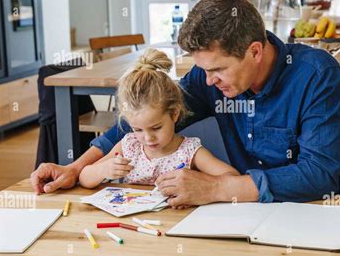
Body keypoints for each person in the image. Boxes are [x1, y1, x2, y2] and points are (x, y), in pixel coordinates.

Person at [31, 0, 340, 206]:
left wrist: (216, 189)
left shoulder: (316, 74)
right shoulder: (209, 80)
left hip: (322, 212)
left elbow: (318, 175)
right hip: (245, 214)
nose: (207, 80)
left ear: (255, 52)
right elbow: (143, 118)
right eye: (202, 69)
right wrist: (75, 169)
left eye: (217, 69)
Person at [79, 48, 238, 191]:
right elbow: (84, 177)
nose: (148, 138)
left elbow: (233, 178)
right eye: (138, 130)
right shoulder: (129, 146)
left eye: (156, 128)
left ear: (175, 114)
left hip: (177, 220)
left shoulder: (189, 151)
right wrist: (102, 170)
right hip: (132, 221)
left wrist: (200, 186)